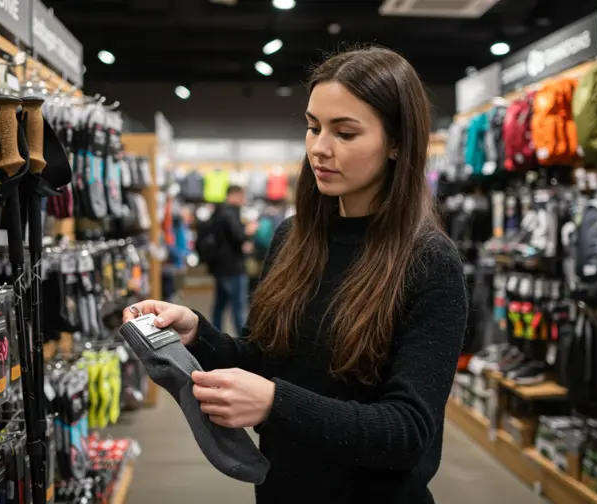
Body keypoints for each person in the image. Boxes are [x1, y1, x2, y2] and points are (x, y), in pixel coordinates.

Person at [124, 46, 467, 504]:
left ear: (398, 142)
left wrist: (274, 404)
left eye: (345, 133)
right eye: (313, 127)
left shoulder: (429, 261)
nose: (319, 148)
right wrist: (196, 333)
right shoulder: (294, 238)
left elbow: (407, 432)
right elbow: (265, 360)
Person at [202, 185, 257, 334]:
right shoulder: (230, 214)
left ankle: (215, 337)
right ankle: (243, 342)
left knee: (219, 306)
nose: (243, 200)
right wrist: (248, 231)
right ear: (234, 196)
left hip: (221, 268)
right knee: (238, 308)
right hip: (234, 267)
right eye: (241, 196)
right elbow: (238, 236)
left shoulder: (218, 213)